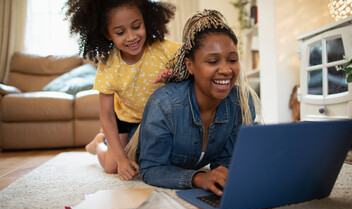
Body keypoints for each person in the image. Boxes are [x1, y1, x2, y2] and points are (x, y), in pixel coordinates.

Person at [137, 9, 262, 196]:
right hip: (134, 137)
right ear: (190, 65)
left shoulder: (242, 103)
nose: (226, 69)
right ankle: (98, 142)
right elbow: (151, 169)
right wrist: (199, 178)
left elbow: (227, 162)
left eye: (232, 59)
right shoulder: (164, 105)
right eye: (213, 61)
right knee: (110, 161)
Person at [65, 0, 180, 180]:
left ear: (146, 20)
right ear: (107, 34)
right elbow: (107, 115)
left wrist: (175, 77)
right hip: (125, 119)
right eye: (120, 32)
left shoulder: (166, 50)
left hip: (159, 120)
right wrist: (121, 159)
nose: (131, 37)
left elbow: (193, 68)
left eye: (136, 26)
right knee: (111, 167)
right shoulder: (109, 65)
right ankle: (98, 144)